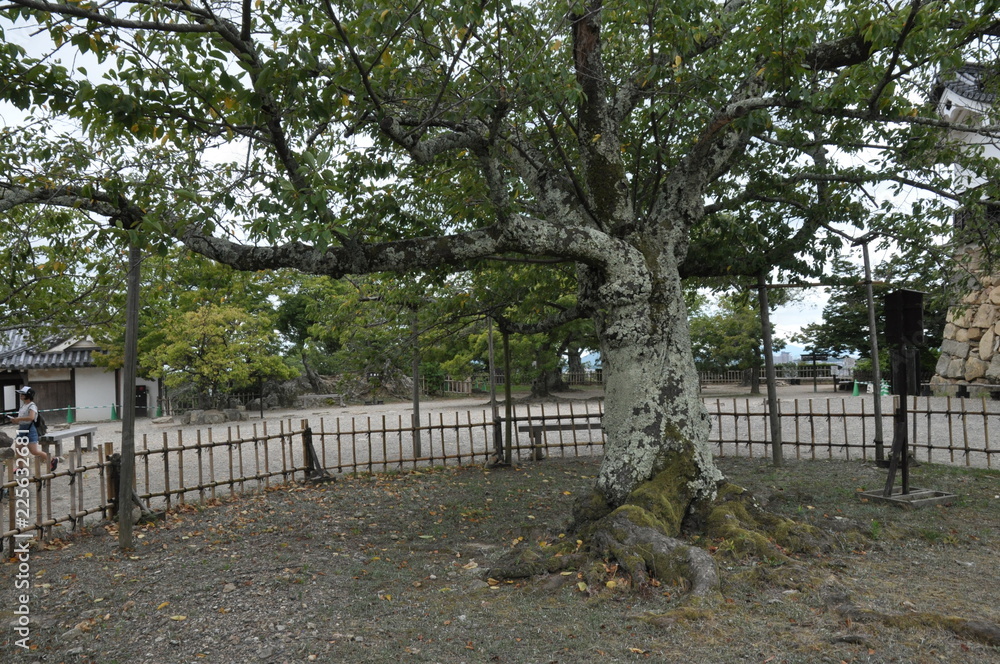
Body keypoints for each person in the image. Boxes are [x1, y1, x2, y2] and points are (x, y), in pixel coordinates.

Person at [10, 386, 57, 472]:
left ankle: (52, 460)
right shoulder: (23, 405)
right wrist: (15, 420)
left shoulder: (32, 406)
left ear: (28, 395)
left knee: (34, 451)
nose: (20, 395)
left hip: (30, 429)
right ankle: (20, 468)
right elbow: (23, 418)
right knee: (18, 449)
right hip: (22, 428)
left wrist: (18, 419)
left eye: (22, 394)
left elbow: (31, 417)